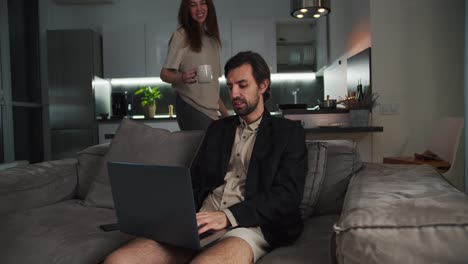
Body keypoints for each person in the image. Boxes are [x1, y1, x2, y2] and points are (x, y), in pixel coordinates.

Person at [104, 51, 308, 264]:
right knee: (118, 261)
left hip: (248, 226)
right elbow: (195, 182)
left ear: (263, 86)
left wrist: (226, 216)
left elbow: (287, 196)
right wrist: (167, 215)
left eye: (242, 85)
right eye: (230, 86)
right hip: (201, 220)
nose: (234, 93)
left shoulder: (288, 133)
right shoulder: (218, 129)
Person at [160, 0, 229, 131]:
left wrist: (227, 116)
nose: (199, 9)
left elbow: (212, 89)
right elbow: (164, 74)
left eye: (203, 3)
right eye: (193, 5)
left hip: (211, 113)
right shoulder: (181, 36)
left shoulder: (213, 41)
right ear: (187, 10)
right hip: (191, 107)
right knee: (208, 148)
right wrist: (182, 78)